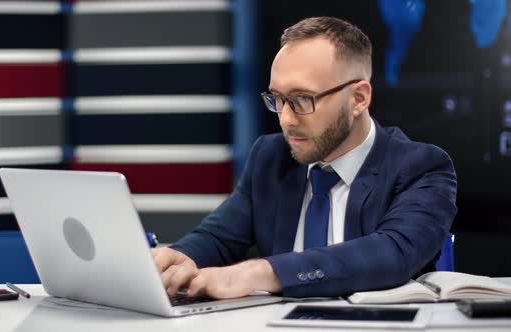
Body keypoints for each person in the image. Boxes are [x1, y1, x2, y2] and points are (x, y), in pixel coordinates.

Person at [152, 16, 457, 299]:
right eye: (277, 99)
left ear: (358, 99)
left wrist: (262, 272)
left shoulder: (421, 167)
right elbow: (219, 238)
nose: (285, 119)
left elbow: (393, 253)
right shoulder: (270, 157)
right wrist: (182, 258)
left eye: (301, 99)